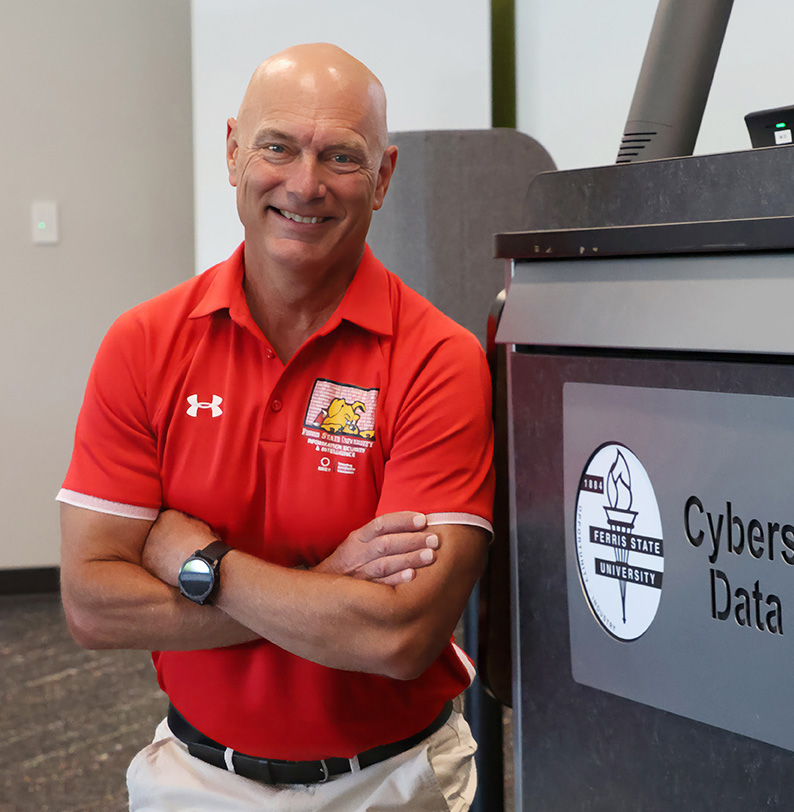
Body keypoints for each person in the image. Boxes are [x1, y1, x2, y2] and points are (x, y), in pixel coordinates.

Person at [57, 43, 494, 811]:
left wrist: (201, 562)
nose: (305, 183)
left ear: (384, 177)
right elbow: (93, 603)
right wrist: (327, 588)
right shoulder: (145, 345)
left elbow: (399, 638)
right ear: (233, 153)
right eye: (278, 146)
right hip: (192, 780)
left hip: (394, 784)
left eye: (341, 158)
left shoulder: (439, 360)